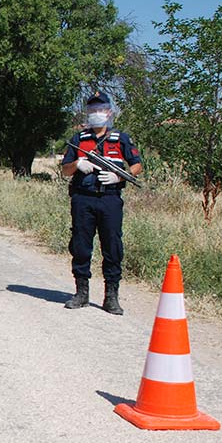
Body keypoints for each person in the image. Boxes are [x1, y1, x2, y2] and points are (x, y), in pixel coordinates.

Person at [61, 91, 142, 315]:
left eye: (101, 109)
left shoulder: (121, 138)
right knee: (80, 245)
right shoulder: (79, 139)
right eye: (92, 110)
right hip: (83, 198)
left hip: (110, 199)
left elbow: (137, 165)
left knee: (112, 246)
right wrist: (78, 163)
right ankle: (81, 293)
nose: (97, 113)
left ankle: (111, 296)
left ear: (109, 112)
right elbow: (65, 170)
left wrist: (120, 176)